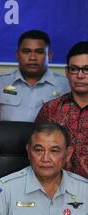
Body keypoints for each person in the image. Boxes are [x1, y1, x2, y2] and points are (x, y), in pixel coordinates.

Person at [0, 123, 88, 215]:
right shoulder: (6, 188)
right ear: (29, 152)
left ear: (68, 154)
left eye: (54, 151)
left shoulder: (84, 189)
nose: (45, 159)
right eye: (38, 150)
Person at [35, 41, 88, 179]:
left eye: (87, 69)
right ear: (66, 72)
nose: (80, 75)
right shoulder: (50, 109)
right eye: (74, 69)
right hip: (56, 191)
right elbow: (36, 152)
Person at [0, 30, 70, 121]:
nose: (32, 58)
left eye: (39, 52)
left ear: (49, 56)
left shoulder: (66, 86)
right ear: (17, 55)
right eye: (26, 52)